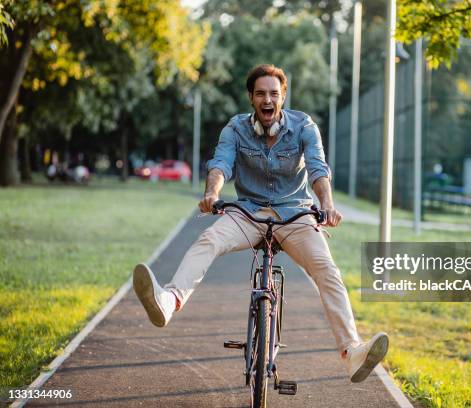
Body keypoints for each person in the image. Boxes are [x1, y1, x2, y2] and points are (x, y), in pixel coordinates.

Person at [132, 64, 388, 383]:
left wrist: (328, 206)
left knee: (327, 269)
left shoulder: (303, 125)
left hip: (295, 215)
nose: (267, 99)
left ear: (283, 97)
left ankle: (352, 353)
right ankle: (168, 301)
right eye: (261, 94)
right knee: (208, 241)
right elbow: (221, 164)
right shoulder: (235, 129)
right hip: (248, 213)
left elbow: (318, 168)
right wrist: (212, 194)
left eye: (274, 94)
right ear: (251, 98)